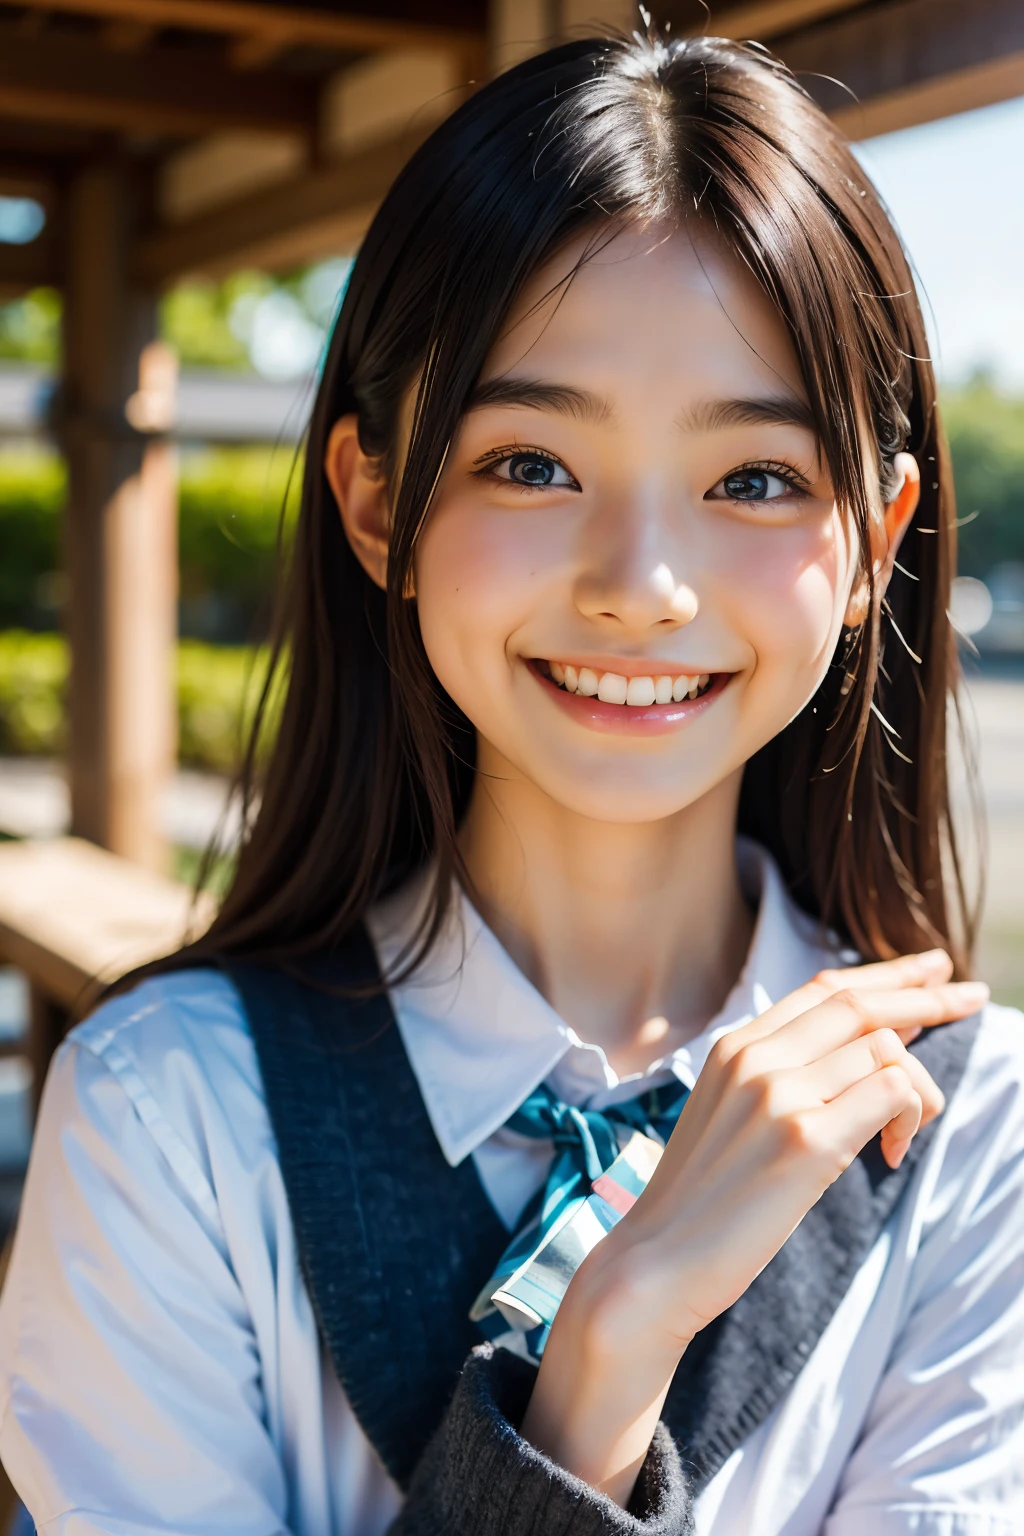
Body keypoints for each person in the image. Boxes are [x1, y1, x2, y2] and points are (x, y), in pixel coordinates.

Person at [1, 27, 1021, 1536]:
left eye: (754, 480)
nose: (641, 586)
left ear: (876, 544)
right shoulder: (169, 1119)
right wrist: (603, 1362)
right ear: (374, 505)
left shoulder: (971, 1129)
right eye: (532, 463)